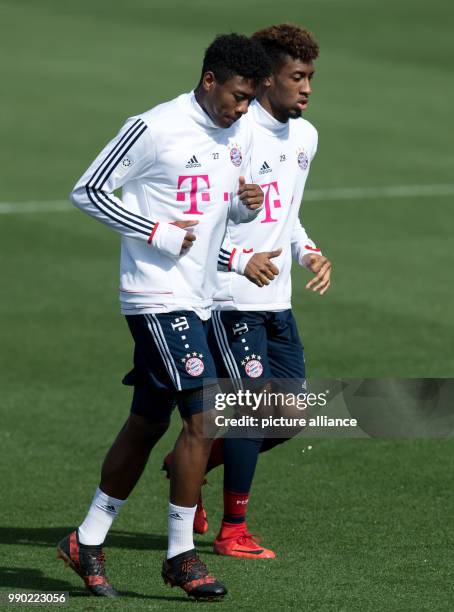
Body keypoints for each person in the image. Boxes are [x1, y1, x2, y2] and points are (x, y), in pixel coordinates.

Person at [56, 34, 270, 600]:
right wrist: (155, 230)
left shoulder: (235, 136)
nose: (243, 108)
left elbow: (209, 230)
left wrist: (242, 231)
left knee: (148, 422)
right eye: (238, 95)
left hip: (197, 297)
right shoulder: (153, 127)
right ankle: (180, 555)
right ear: (209, 81)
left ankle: (87, 539)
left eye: (250, 99)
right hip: (154, 295)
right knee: (205, 416)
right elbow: (89, 191)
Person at [164, 23, 332, 559]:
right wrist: (240, 256)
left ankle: (188, 463)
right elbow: (210, 219)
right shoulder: (236, 136)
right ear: (265, 82)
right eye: (296, 77)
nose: (306, 88)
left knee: (291, 414)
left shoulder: (305, 137)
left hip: (278, 298)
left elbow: (288, 212)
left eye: (310, 77)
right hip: (232, 298)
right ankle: (233, 529)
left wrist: (307, 252)